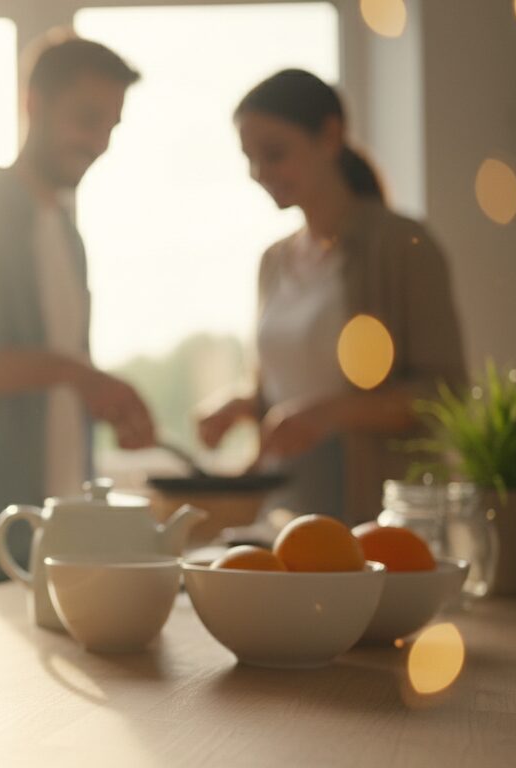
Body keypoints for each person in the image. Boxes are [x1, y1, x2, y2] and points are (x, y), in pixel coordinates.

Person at [0, 33, 156, 599]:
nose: (99, 142)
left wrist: (97, 396)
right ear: (33, 105)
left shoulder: (68, 236)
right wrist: (77, 374)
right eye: (87, 118)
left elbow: (59, 371)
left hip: (52, 533)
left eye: (111, 126)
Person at [196, 69, 466, 524]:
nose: (260, 173)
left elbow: (446, 394)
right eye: (250, 158)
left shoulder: (402, 245)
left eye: (275, 154)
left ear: (330, 136)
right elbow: (285, 388)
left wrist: (330, 414)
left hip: (374, 514)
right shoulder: (274, 261)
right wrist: (242, 406)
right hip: (282, 511)